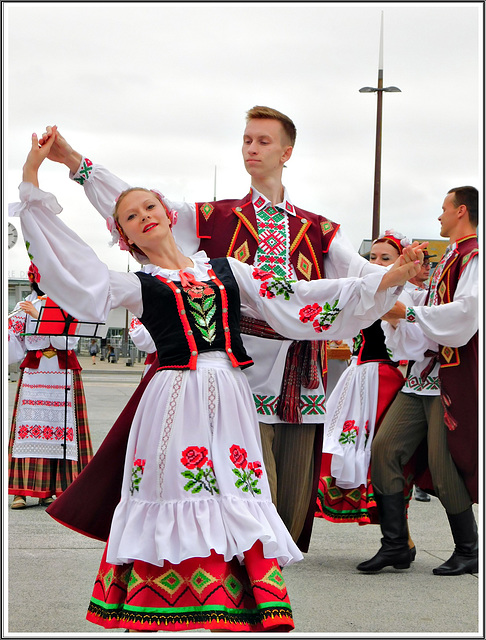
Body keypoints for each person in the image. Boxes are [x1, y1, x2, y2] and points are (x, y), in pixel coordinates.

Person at [15, 131, 423, 632]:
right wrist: (33, 182)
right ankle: (163, 602)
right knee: (177, 488)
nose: (145, 216)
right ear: (127, 238)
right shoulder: (136, 285)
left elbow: (295, 295)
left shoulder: (228, 269)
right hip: (175, 397)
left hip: (230, 394)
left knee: (237, 488)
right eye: (131, 217)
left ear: (167, 214)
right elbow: (73, 271)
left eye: (150, 207)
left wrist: (383, 280)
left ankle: (231, 605)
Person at [357, 186, 478, 576]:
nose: (438, 217)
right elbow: (428, 309)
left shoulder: (475, 257)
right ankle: (395, 545)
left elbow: (465, 315)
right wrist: (403, 312)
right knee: (386, 447)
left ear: (461, 211)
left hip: (451, 378)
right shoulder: (450, 259)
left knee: (444, 468)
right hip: (422, 377)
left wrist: (407, 315)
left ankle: (468, 548)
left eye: (443, 209)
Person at [315, 231, 420, 559]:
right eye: (371, 258)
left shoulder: (408, 295)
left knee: (384, 455)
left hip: (384, 379)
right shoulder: (369, 292)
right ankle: (400, 540)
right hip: (357, 378)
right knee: (341, 448)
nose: (376, 265)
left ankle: (401, 539)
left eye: (385, 259)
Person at [8, 263, 93, 509]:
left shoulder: (68, 305)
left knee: (63, 429)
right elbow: (15, 350)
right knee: (31, 427)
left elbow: (69, 340)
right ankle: (21, 491)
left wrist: (40, 318)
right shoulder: (23, 306)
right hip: (36, 374)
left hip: (62, 371)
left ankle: (57, 488)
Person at [406, 248, 435, 503]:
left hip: (419, 372)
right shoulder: (402, 292)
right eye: (423, 263)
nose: (427, 268)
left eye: (429, 264)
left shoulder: (427, 296)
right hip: (392, 373)